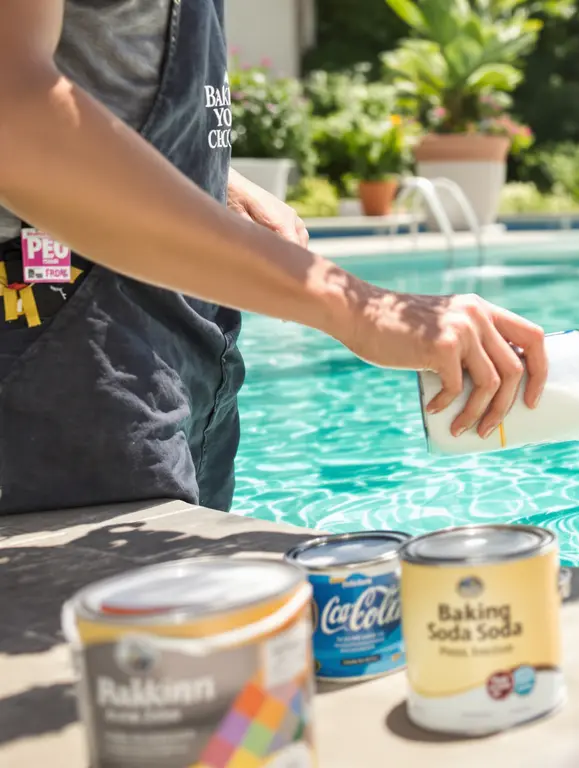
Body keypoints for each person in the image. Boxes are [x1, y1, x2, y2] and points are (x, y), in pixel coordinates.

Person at [0, 0, 548, 515]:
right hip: (56, 341)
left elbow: (93, 73)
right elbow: (14, 116)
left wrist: (212, 180)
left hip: (178, 333)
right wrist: (361, 308)